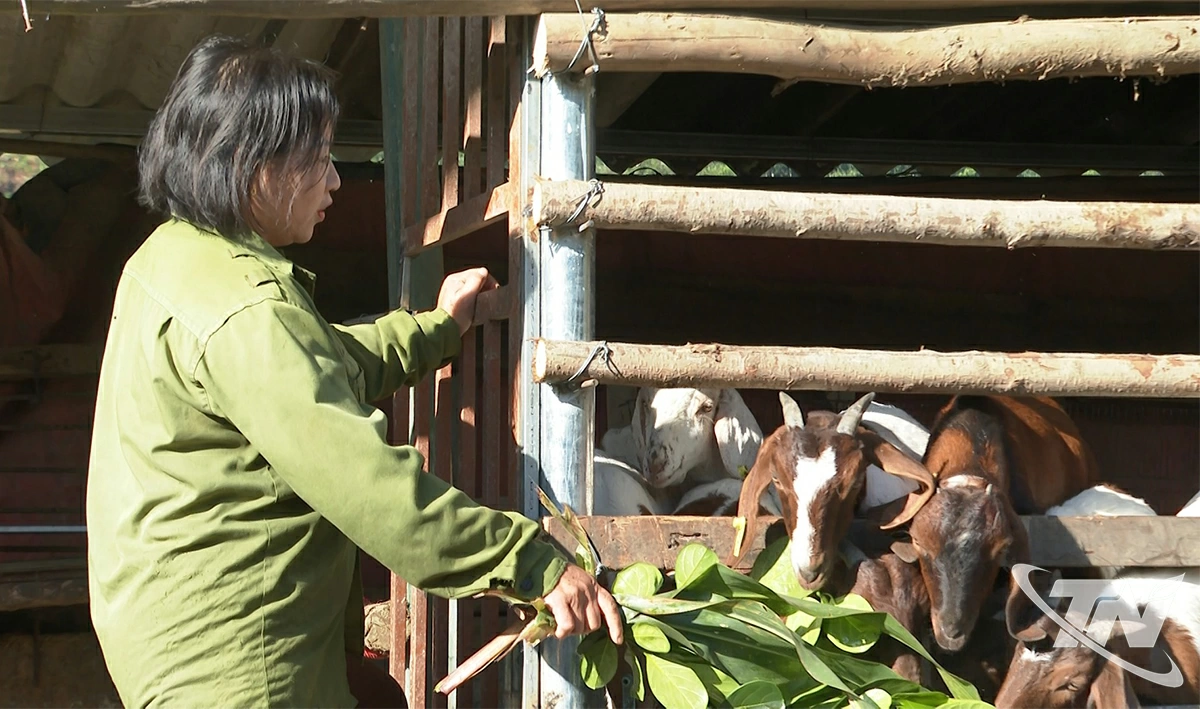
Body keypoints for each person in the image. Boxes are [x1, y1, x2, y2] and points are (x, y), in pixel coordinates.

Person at [86, 34, 622, 708]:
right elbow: (373, 488)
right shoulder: (246, 308)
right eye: (319, 160)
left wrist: (435, 327)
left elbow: (314, 365)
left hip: (174, 637)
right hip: (236, 669)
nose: (336, 180)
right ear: (258, 167)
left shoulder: (171, 260)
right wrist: (533, 562)